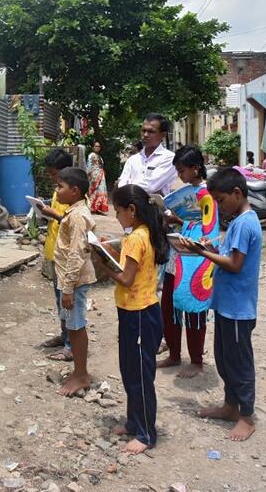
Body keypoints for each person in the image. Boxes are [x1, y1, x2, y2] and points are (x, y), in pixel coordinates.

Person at [179, 167, 263, 442]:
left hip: (238, 308)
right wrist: (208, 249)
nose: (218, 206)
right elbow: (228, 256)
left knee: (239, 363)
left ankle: (246, 416)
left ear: (237, 193)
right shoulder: (239, 221)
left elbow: (236, 265)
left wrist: (202, 252)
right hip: (228, 306)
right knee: (225, 360)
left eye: (221, 200)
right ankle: (230, 406)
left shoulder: (244, 223)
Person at [98, 184, 167, 454]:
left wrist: (104, 263)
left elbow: (126, 278)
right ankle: (133, 421)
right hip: (134, 310)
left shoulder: (138, 238)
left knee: (139, 374)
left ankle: (147, 433)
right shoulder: (141, 233)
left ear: (132, 210)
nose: (116, 216)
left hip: (140, 312)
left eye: (118, 211)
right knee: (129, 369)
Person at [157, 146, 219, 378]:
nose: (180, 175)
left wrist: (178, 219)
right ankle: (174, 354)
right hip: (177, 256)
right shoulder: (188, 191)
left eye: (182, 170)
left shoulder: (208, 195)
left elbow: (208, 229)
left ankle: (196, 360)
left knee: (193, 309)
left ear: (195, 168)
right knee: (169, 306)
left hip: (194, 259)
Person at [53, 167, 97, 397]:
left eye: (60, 186)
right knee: (73, 326)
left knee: (76, 327)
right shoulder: (74, 211)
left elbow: (77, 253)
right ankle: (78, 371)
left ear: (75, 191)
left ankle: (81, 374)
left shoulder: (78, 216)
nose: (56, 191)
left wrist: (68, 287)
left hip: (75, 281)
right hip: (70, 280)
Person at [38, 148, 75, 361]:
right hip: (55, 251)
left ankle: (71, 345)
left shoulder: (74, 192)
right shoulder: (59, 190)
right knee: (59, 300)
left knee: (68, 301)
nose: (53, 178)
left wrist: (54, 214)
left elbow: (74, 220)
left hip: (67, 255)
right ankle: (64, 336)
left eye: (54, 174)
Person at [117, 114, 177, 195]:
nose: (145, 135)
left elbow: (150, 187)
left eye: (151, 131)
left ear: (163, 135)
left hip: (156, 207)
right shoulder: (132, 160)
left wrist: (128, 184)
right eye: (143, 130)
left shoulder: (169, 158)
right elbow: (121, 185)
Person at [86, 141, 110, 215]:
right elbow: (89, 166)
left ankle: (97, 208)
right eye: (96, 146)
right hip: (94, 176)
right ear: (93, 147)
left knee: (101, 191)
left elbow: (101, 166)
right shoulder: (91, 155)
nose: (97, 148)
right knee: (94, 192)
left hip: (101, 176)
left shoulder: (99, 157)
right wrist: (88, 175)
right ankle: (92, 208)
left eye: (99, 146)